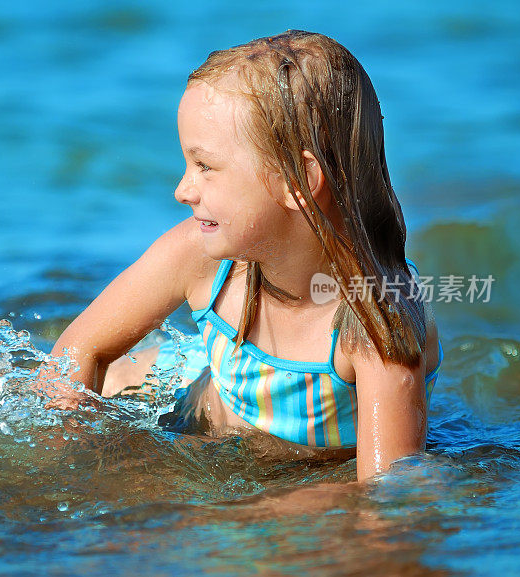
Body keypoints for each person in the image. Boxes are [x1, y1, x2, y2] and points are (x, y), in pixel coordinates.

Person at [39, 30, 442, 481]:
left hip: (269, 443)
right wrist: (67, 469)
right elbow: (80, 350)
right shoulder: (199, 257)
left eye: (205, 167)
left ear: (299, 180)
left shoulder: (378, 322)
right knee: (45, 391)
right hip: (186, 401)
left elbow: (389, 500)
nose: (182, 190)